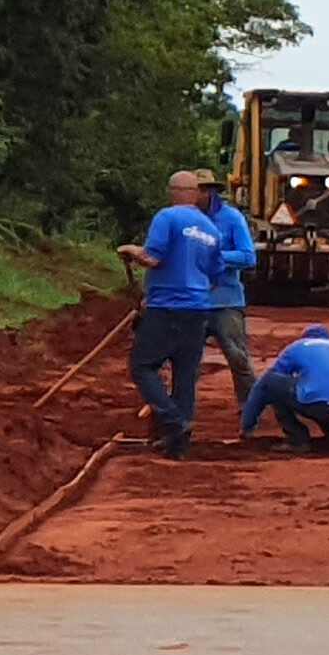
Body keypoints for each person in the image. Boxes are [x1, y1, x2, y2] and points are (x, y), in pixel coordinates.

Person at [117, 171, 229, 458]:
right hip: (198, 309)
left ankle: (173, 421)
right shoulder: (211, 230)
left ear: (172, 191)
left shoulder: (167, 218)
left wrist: (130, 250)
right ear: (195, 193)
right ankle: (178, 445)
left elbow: (152, 257)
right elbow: (216, 276)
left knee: (142, 366)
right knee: (186, 376)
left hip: (167, 307)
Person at [241, 322, 329, 453]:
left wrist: (247, 425)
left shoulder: (298, 346)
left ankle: (297, 438)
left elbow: (264, 384)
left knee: (273, 383)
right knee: (328, 396)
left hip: (314, 402)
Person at [201, 179, 261, 415]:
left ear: (211, 193)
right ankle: (179, 409)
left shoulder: (232, 218)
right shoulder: (182, 219)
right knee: (187, 360)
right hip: (193, 300)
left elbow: (248, 257)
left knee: (238, 357)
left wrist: (215, 256)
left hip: (226, 300)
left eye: (201, 190)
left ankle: (250, 407)